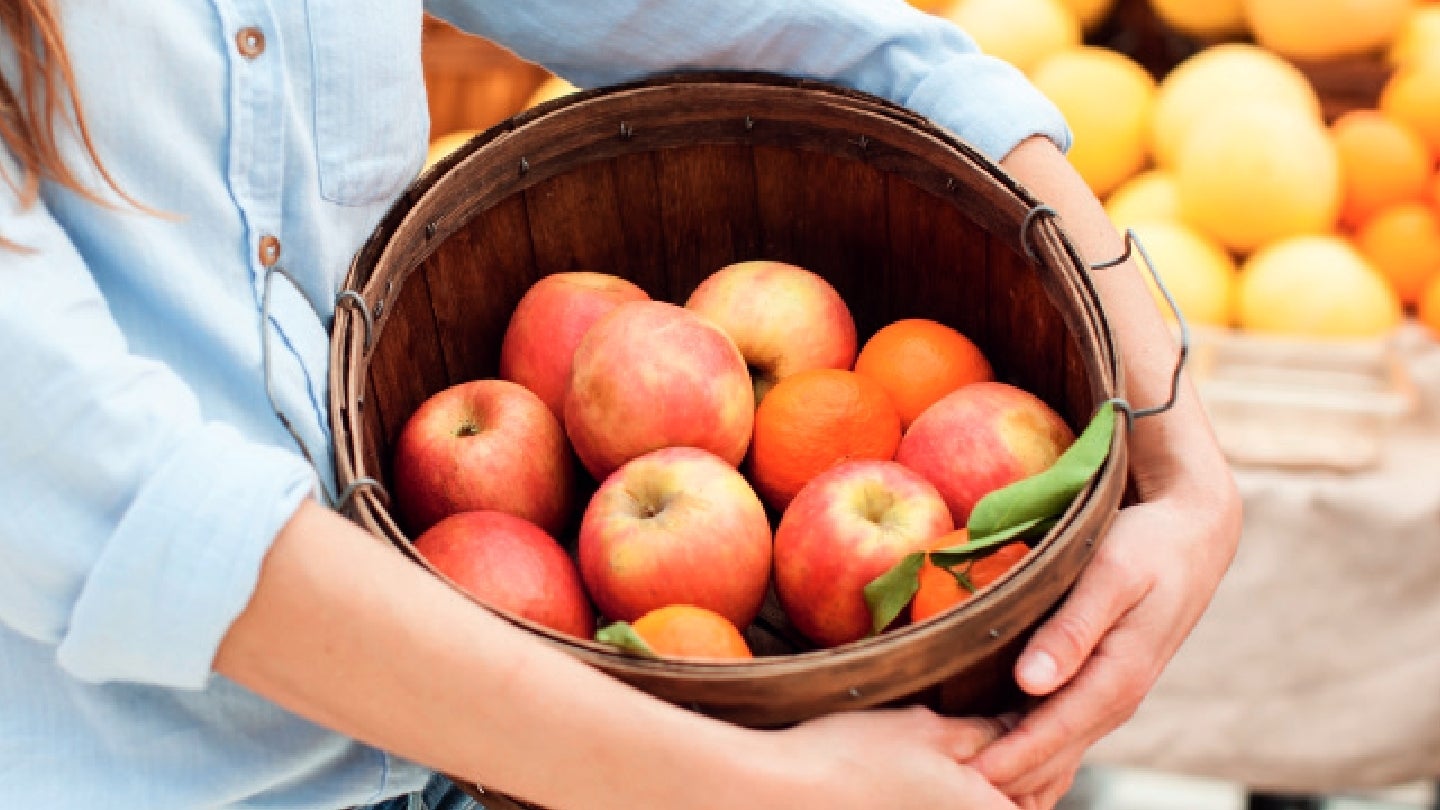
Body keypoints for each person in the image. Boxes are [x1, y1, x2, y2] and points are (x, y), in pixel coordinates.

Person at [0, 1, 1242, 808]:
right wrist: (746, 788)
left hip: (484, 738)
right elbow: (122, 506)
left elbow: (827, 40)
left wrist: (1183, 453)